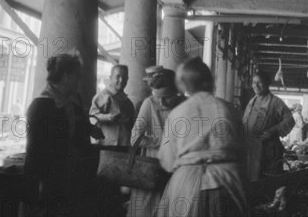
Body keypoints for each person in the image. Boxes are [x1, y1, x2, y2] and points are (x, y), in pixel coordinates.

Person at [157, 57, 247, 217]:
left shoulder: (178, 113)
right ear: (210, 80)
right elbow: (242, 151)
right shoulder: (228, 110)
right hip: (227, 181)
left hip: (187, 184)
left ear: (184, 84)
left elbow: (167, 161)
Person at [22, 53, 98, 217]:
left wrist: (89, 129)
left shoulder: (71, 100)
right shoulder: (41, 105)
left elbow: (77, 127)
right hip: (49, 179)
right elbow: (35, 150)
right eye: (77, 75)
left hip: (68, 174)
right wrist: (38, 185)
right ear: (66, 76)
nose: (80, 79)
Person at [126, 68, 184, 217]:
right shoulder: (149, 104)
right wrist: (165, 141)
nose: (161, 102)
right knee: (147, 210)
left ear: (177, 92)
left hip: (177, 167)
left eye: (166, 97)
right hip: (152, 166)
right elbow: (135, 138)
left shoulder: (184, 105)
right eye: (157, 97)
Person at [242, 73, 295, 181]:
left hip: (268, 152)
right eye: (253, 82)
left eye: (259, 82)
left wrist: (273, 131)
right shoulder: (252, 101)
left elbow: (290, 120)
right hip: (250, 150)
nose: (255, 85)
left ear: (267, 84)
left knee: (266, 182)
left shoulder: (276, 102)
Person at [90, 64, 135, 146]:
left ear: (127, 79)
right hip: (107, 144)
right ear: (110, 77)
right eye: (117, 77)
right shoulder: (102, 96)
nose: (121, 80)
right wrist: (107, 117)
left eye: (124, 77)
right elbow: (92, 116)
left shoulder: (128, 102)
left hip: (125, 145)